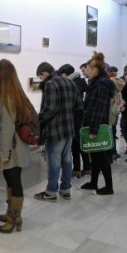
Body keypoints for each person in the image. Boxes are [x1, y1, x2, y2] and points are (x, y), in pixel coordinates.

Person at [0, 59, 35, 233]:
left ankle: (15, 217)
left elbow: (7, 127)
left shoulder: (7, 96)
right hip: (17, 145)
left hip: (12, 147)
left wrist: (4, 153)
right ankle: (11, 212)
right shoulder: (15, 93)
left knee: (14, 181)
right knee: (12, 180)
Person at [34, 62, 83, 202]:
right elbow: (79, 104)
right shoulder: (70, 83)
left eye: (41, 77)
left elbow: (51, 109)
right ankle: (66, 190)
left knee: (54, 162)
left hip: (55, 130)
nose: (42, 80)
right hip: (69, 129)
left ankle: (51, 192)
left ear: (44, 73)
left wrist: (37, 119)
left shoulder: (50, 84)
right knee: (67, 160)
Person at [79, 52, 115, 195]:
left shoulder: (102, 85)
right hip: (93, 124)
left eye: (88, 69)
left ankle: (109, 187)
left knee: (101, 157)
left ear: (95, 70)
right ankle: (93, 182)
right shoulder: (95, 83)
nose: (86, 71)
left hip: (97, 126)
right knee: (94, 155)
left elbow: (99, 109)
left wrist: (94, 130)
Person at [58, 63, 90, 178]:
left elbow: (74, 103)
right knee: (79, 144)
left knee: (77, 144)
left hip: (76, 117)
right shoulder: (80, 82)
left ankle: (80, 168)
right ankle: (83, 168)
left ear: (66, 74)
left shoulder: (73, 84)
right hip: (80, 117)